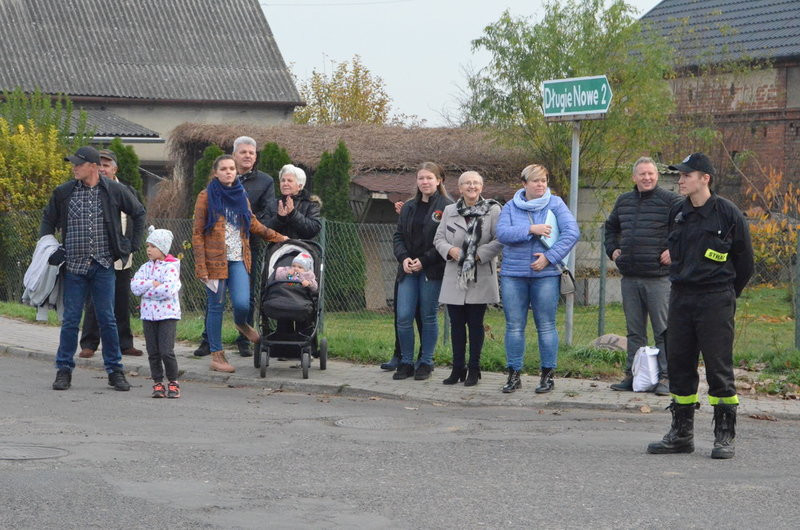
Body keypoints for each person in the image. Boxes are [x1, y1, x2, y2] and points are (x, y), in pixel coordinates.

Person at [647, 153, 753, 460]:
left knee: (719, 368)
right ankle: (681, 434)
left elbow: (745, 262)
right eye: (680, 175)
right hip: (681, 297)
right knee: (679, 365)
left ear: (705, 178)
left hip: (715, 298)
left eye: (686, 175)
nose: (680, 180)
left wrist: (727, 295)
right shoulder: (678, 211)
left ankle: (724, 435)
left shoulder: (727, 213)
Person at [42, 146, 146, 391]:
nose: (74, 168)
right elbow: (47, 220)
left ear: (93, 166)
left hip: (103, 265)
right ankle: (64, 370)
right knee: (70, 320)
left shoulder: (114, 190)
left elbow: (139, 213)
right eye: (73, 164)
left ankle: (115, 371)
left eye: (78, 164)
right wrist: (47, 247)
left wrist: (131, 245)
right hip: (74, 267)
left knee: (107, 319)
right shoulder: (64, 192)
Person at [192, 155, 288, 373]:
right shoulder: (206, 196)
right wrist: (201, 266)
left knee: (243, 303)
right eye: (224, 169)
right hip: (214, 262)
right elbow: (197, 233)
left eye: (231, 168)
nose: (228, 172)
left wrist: (277, 237)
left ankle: (241, 323)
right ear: (216, 172)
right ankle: (217, 356)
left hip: (238, 259)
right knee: (215, 307)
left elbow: (253, 223)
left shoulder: (240, 195)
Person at [496, 164, 579, 394]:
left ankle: (547, 376)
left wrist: (549, 258)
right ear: (524, 184)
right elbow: (502, 233)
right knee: (514, 327)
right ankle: (514, 375)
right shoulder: (511, 207)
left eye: (543, 180)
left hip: (546, 275)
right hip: (513, 275)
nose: (541, 184)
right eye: (535, 181)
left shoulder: (556, 203)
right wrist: (531, 229)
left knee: (546, 326)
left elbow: (572, 232)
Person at [604, 157, 681, 395]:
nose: (647, 178)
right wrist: (612, 250)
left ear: (657, 175)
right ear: (634, 177)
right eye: (642, 174)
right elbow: (610, 228)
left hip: (659, 278)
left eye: (651, 173)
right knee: (634, 332)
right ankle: (633, 375)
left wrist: (674, 250)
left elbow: (688, 228)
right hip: (630, 277)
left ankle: (667, 378)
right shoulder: (624, 201)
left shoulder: (671, 201)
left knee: (663, 331)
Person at [434, 171, 502, 386]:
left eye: (475, 183)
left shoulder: (493, 210)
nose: (471, 186)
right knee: (456, 324)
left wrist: (479, 254)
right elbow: (439, 238)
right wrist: (450, 250)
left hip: (480, 274)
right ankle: (457, 368)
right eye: (467, 183)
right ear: (460, 188)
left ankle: (474, 368)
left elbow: (500, 239)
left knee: (475, 324)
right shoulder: (450, 210)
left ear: (481, 187)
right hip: (455, 275)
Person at [79, 149, 144, 358]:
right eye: (99, 165)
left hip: (122, 255)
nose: (102, 169)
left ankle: (125, 344)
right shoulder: (89, 189)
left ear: (115, 169)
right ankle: (89, 343)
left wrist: (133, 244)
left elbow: (138, 215)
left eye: (106, 165)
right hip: (97, 255)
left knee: (121, 300)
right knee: (94, 301)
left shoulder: (126, 191)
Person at [392, 162, 453, 381]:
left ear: (439, 180)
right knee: (403, 316)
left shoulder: (448, 207)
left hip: (431, 270)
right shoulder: (409, 206)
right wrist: (404, 258)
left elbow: (447, 241)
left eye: (429, 178)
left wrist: (424, 261)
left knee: (428, 316)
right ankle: (406, 362)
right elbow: (398, 236)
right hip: (408, 269)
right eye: (421, 178)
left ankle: (426, 362)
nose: (425, 182)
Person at [131, 226, 182, 398]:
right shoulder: (144, 267)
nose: (149, 249)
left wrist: (147, 291)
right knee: (153, 352)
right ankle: (157, 382)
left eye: (153, 246)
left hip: (167, 315)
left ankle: (173, 381)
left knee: (166, 351)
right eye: (148, 246)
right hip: (148, 315)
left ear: (162, 248)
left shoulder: (171, 268)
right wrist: (151, 284)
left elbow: (168, 290)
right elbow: (135, 286)